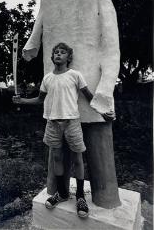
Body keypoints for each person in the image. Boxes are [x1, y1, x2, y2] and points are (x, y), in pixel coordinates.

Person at [22, 0, 121, 209]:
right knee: (57, 152)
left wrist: (104, 90)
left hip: (90, 92)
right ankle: (60, 192)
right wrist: (29, 48)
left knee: (98, 148)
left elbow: (111, 48)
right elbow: (33, 41)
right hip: (56, 101)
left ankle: (103, 196)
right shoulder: (47, 1)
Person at [13, 42, 112, 217]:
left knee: (78, 158)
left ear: (68, 57)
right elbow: (39, 100)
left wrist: (103, 112)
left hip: (72, 122)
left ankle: (80, 197)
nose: (58, 54)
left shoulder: (75, 75)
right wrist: (22, 101)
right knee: (57, 158)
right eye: (56, 52)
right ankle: (62, 193)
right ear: (52, 57)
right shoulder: (47, 78)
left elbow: (89, 97)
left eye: (62, 52)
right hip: (52, 123)